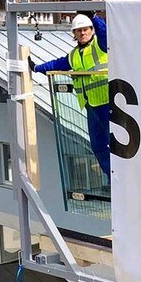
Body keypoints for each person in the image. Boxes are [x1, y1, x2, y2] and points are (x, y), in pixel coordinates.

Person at [33, 13, 111, 180]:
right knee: (98, 146)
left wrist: (95, 17)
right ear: (74, 34)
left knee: (116, 144)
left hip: (107, 103)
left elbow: (105, 33)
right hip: (91, 106)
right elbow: (57, 64)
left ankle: (123, 178)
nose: (82, 33)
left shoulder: (101, 45)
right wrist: (36, 67)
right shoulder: (74, 55)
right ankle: (113, 177)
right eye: (78, 31)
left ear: (92, 30)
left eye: (85, 29)